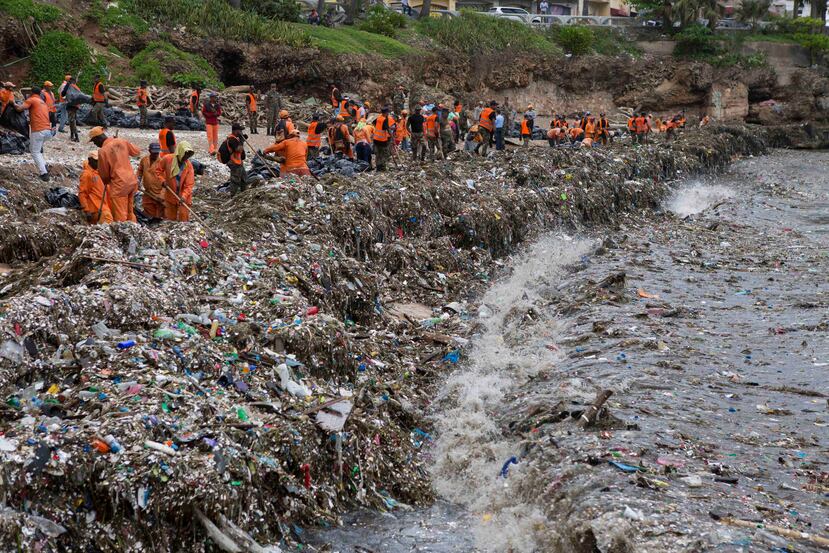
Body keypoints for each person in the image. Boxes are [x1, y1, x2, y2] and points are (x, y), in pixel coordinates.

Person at [90, 126, 141, 223]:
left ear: (98, 138)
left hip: (119, 185)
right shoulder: (121, 141)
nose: (95, 144)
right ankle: (134, 230)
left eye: (94, 141)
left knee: (120, 214)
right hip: (132, 181)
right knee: (130, 211)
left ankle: (123, 235)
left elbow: (104, 175)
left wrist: (107, 182)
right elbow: (136, 152)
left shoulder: (102, 151)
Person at [14, 86, 52, 181]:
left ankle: (44, 174)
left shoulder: (32, 99)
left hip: (39, 130)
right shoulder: (42, 102)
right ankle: (44, 166)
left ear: (31, 92)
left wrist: (12, 103)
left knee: (35, 152)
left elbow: (20, 109)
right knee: (36, 150)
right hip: (47, 130)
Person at [156, 141, 195, 222]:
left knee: (183, 218)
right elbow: (158, 171)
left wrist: (184, 196)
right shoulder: (167, 159)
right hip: (170, 194)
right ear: (180, 152)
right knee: (170, 219)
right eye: (185, 153)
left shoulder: (189, 166)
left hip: (184, 197)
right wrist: (162, 181)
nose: (186, 157)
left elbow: (189, 185)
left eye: (188, 154)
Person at [79, 150, 113, 225]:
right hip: (97, 209)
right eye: (96, 161)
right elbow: (82, 193)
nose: (98, 163)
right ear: (90, 160)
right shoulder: (87, 174)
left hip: (102, 208)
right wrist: (86, 210)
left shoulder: (98, 173)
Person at [222, 123, 252, 196]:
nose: (241, 132)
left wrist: (241, 139)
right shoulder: (232, 139)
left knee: (243, 178)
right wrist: (241, 140)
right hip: (234, 162)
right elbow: (238, 149)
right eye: (240, 131)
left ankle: (243, 193)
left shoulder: (235, 138)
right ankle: (232, 196)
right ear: (235, 131)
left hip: (238, 162)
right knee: (235, 180)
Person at [137, 142, 165, 218]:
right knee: (148, 208)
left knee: (160, 212)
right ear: (149, 151)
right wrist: (138, 181)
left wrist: (162, 194)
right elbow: (140, 170)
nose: (156, 155)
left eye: (157, 153)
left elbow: (166, 182)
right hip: (148, 191)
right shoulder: (144, 160)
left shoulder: (162, 163)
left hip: (158, 192)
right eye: (154, 153)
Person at [373, 106, 395, 170]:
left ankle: (378, 167)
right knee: (384, 153)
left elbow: (374, 123)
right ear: (386, 112)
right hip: (382, 139)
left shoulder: (378, 118)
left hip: (376, 139)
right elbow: (388, 129)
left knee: (378, 154)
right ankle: (382, 166)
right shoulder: (384, 119)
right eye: (387, 112)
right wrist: (392, 137)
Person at [62, 77, 81, 142]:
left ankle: (76, 137)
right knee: (72, 120)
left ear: (70, 81)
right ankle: (72, 135)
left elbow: (63, 93)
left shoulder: (69, 86)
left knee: (72, 121)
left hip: (71, 105)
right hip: (76, 106)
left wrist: (67, 84)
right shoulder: (77, 87)